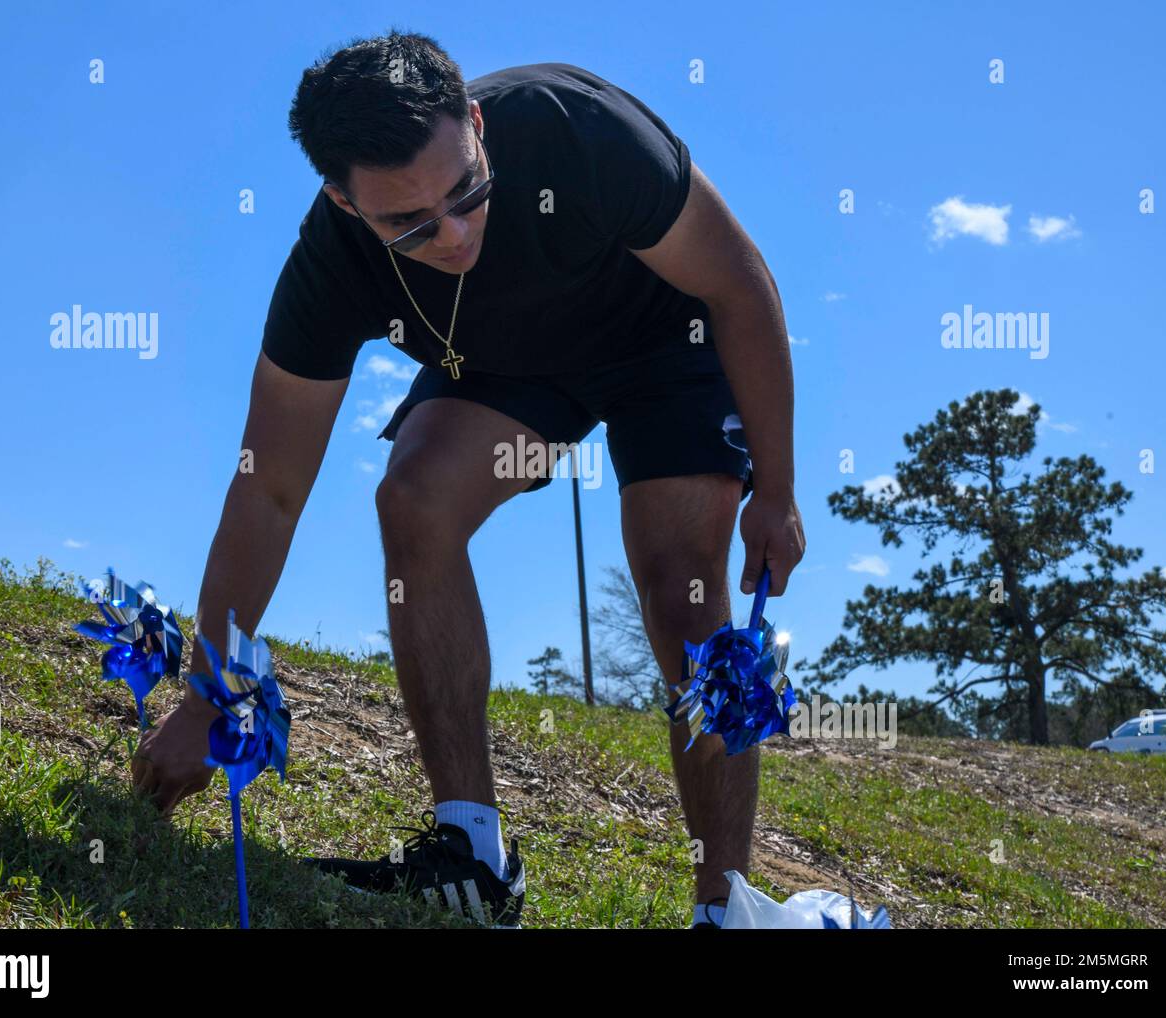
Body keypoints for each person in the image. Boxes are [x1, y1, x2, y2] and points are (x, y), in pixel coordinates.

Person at [131, 29, 805, 929]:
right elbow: (268, 489)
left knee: (679, 587)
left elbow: (741, 285)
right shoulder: (329, 267)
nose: (452, 235)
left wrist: (780, 488)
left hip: (664, 343)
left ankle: (724, 905)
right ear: (343, 201)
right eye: (409, 225)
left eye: (467, 192)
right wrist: (208, 690)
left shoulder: (584, 131)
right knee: (413, 498)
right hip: (507, 369)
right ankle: (471, 861)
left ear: (477, 124)